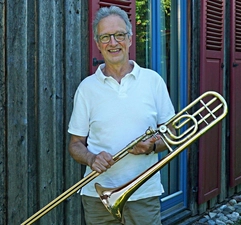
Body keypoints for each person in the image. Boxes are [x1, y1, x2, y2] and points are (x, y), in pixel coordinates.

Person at [67, 5, 176, 225]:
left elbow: (172, 132)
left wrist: (153, 146)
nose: (113, 42)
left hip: (143, 194)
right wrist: (91, 158)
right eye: (106, 37)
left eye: (119, 35)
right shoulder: (87, 88)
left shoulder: (153, 81)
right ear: (98, 44)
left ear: (130, 39)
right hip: (98, 195)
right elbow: (75, 143)